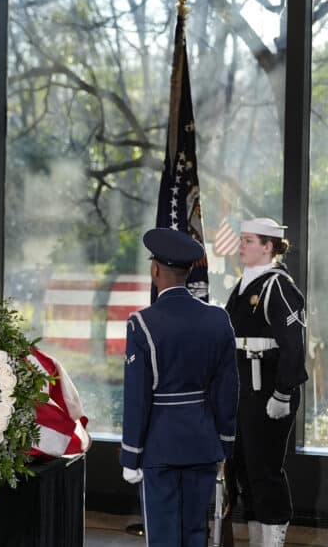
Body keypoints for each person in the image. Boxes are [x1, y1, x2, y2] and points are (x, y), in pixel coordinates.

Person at [120, 227, 239, 546]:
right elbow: (227, 393)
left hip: (160, 447)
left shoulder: (142, 324)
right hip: (202, 443)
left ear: (154, 270)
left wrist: (130, 456)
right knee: (194, 534)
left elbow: (137, 398)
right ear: (189, 271)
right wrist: (224, 444)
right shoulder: (218, 320)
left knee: (163, 537)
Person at [226, 217, 307, 547]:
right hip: (245, 390)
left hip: (269, 390)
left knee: (265, 470)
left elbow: (293, 346)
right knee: (244, 469)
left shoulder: (278, 285)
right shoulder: (246, 284)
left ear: (268, 246)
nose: (241, 246)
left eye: (248, 240)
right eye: (242, 239)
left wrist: (283, 393)